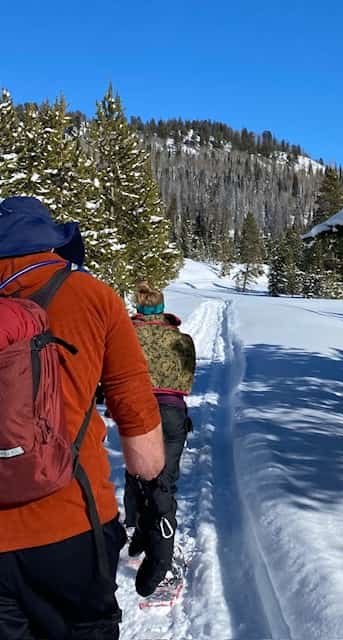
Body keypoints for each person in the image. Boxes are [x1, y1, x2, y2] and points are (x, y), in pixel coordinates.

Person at [0, 196, 175, 640]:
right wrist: (156, 509)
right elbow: (138, 426)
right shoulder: (91, 295)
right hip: (72, 521)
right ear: (53, 242)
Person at [124, 282, 195, 549]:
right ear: (162, 306)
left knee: (137, 475)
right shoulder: (181, 340)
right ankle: (163, 542)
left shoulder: (127, 335)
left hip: (137, 411)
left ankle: (135, 531)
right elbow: (187, 380)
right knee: (165, 479)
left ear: (139, 306)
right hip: (172, 411)